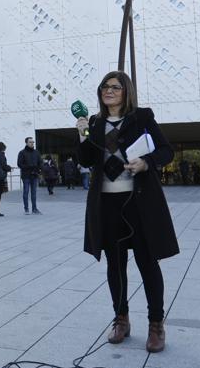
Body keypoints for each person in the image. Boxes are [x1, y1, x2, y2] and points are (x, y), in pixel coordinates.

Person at [76, 70, 177, 353]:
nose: (108, 91)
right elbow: (86, 160)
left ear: (126, 91)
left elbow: (166, 151)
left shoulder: (141, 118)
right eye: (104, 87)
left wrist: (146, 162)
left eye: (115, 87)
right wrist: (83, 132)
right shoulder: (94, 123)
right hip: (106, 204)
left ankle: (156, 324)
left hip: (139, 203)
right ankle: (121, 319)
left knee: (147, 263)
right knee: (115, 265)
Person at [17, 137, 42, 214]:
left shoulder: (36, 152)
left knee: (34, 193)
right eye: (30, 142)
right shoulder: (22, 152)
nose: (32, 143)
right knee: (26, 192)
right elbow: (19, 164)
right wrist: (29, 167)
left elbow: (40, 162)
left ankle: (34, 209)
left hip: (34, 175)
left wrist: (38, 169)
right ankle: (26, 209)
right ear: (26, 143)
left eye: (33, 142)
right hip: (26, 175)